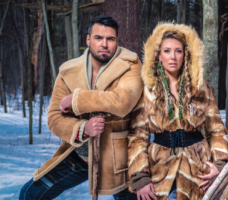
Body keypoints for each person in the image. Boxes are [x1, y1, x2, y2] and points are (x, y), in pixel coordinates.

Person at [19, 16, 143, 200]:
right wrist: (82, 129)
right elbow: (54, 118)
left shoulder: (130, 64)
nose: (104, 44)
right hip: (81, 157)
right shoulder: (68, 71)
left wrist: (77, 99)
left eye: (110, 39)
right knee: (29, 194)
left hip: (118, 160)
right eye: (98, 38)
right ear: (88, 39)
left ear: (117, 41)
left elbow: (122, 102)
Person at [127, 23, 228, 200]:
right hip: (159, 168)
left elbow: (216, 131)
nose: (173, 57)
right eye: (167, 51)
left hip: (199, 166)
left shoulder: (202, 89)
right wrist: (141, 177)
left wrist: (220, 165)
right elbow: (138, 137)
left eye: (178, 51)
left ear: (186, 55)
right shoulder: (147, 91)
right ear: (158, 56)